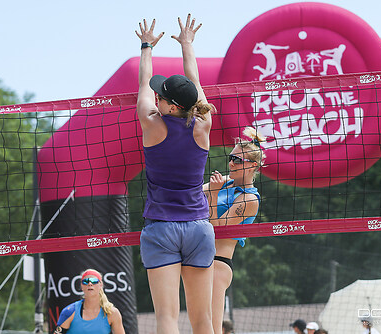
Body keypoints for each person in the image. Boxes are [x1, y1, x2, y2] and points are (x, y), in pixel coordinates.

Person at [136, 14, 216, 334]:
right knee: (203, 320)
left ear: (168, 105)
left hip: (162, 228)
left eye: (161, 96)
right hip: (199, 227)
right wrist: (187, 46)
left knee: (167, 319)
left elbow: (144, 83)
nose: (156, 96)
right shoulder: (203, 125)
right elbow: (195, 86)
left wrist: (146, 47)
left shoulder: (151, 123)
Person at [203, 127, 265, 334]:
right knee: (199, 326)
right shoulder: (224, 184)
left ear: (252, 166)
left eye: (238, 160)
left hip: (218, 264)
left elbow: (216, 229)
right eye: (231, 158)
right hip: (197, 260)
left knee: (212, 328)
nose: (231, 163)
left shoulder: (249, 199)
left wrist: (212, 195)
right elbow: (188, 194)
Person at [55, 269, 125, 334]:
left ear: (101, 285)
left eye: (94, 281)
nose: (90, 284)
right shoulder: (69, 311)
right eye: (85, 281)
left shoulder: (112, 313)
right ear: (82, 286)